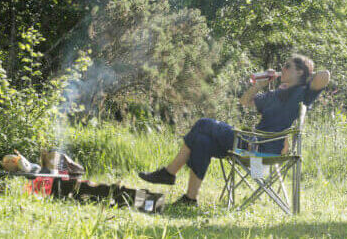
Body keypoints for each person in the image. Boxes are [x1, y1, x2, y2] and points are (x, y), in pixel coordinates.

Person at [137, 54, 330, 205]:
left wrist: (306, 77)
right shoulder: (275, 94)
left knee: (203, 123)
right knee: (201, 140)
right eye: (283, 66)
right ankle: (190, 199)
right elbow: (245, 102)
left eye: (287, 66)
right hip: (250, 144)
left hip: (261, 152)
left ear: (300, 73)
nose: (282, 68)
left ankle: (169, 173)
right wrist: (261, 84)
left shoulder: (303, 94)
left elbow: (325, 76)